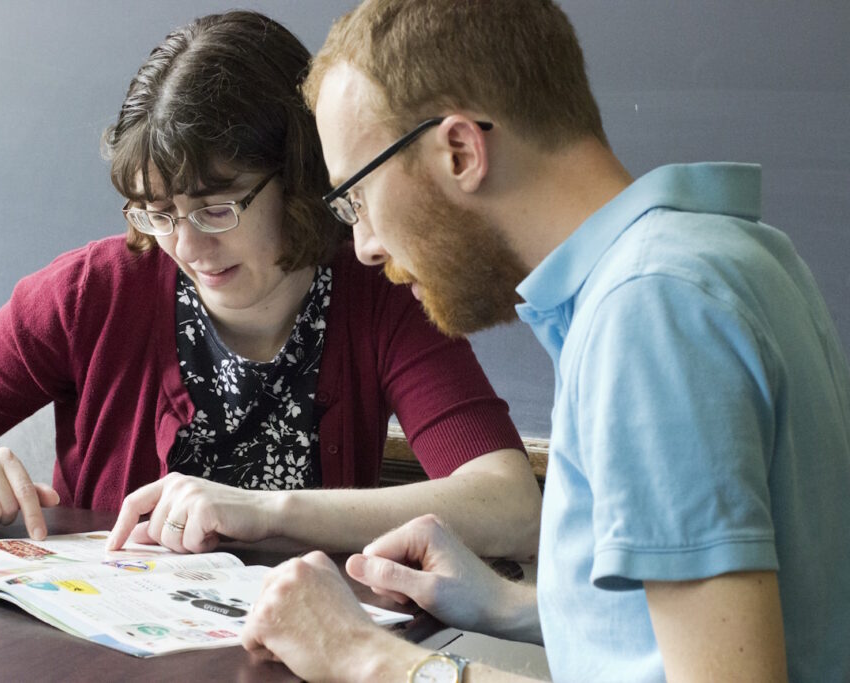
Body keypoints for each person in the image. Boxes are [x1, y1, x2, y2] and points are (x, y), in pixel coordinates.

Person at [241, 0, 850, 681]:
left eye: (357, 196)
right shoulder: (732, 254)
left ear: (461, 150)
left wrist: (367, 656)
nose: (363, 246)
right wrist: (508, 603)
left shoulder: (647, 312)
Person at [0, 10, 541, 561]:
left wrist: (269, 511)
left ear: (296, 177)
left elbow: (510, 506)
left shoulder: (382, 295)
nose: (185, 245)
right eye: (157, 213)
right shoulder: (88, 293)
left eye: (217, 208)